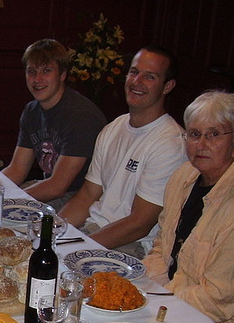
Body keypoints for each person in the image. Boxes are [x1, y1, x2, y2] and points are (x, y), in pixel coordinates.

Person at [143, 90, 234, 323]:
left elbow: (221, 299)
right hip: (170, 302)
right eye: (194, 134)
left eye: (214, 134)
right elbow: (162, 246)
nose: (201, 144)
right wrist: (147, 289)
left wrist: (155, 300)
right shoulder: (184, 176)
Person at [58, 45, 187, 258]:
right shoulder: (114, 128)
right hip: (93, 231)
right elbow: (87, 196)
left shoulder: (170, 145)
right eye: (134, 72)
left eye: (150, 77)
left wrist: (77, 249)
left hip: (130, 246)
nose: (137, 82)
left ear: (167, 86)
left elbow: (139, 224)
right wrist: (54, 231)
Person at [2, 39, 107, 210]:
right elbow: (17, 169)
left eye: (46, 71)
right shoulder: (31, 111)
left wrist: (8, 199)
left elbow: (58, 187)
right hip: (51, 186)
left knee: (5, 215)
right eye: (31, 71)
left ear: (63, 74)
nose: (37, 79)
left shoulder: (81, 116)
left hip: (81, 198)